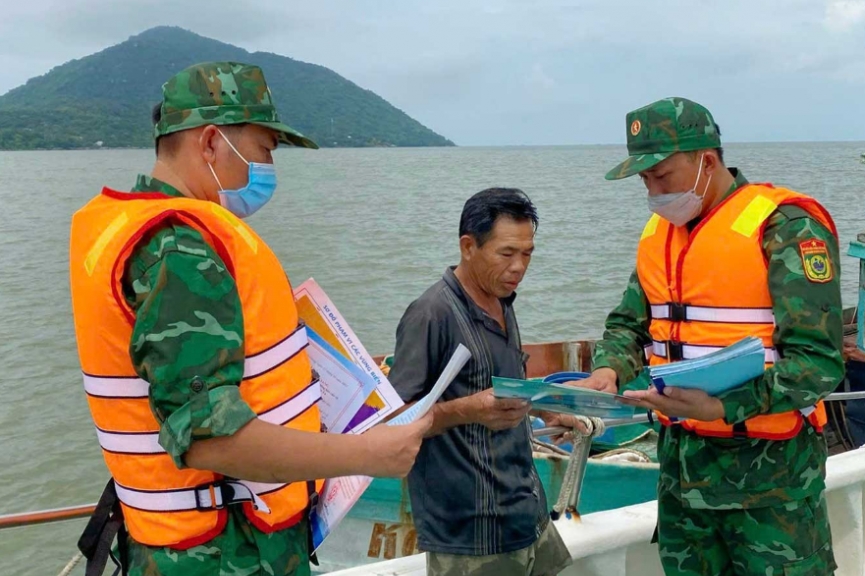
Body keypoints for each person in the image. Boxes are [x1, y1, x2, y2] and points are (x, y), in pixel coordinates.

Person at [68, 61, 432, 576]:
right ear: (212, 142)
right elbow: (210, 437)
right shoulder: (179, 247)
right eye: (263, 151)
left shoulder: (129, 225)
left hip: (214, 544)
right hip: (222, 555)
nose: (266, 170)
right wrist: (365, 454)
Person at [569, 97, 845, 576]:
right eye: (644, 180)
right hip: (682, 482)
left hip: (770, 488)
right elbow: (630, 325)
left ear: (707, 162)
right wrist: (607, 371)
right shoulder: (660, 235)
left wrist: (720, 407)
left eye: (662, 176)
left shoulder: (787, 228)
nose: (652, 191)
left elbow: (817, 364)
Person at [388, 188, 573, 576]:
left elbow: (505, 387)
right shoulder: (430, 314)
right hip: (470, 534)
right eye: (507, 253)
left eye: (527, 254)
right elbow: (395, 422)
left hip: (528, 514)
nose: (519, 266)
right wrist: (466, 409)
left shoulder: (503, 301)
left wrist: (549, 408)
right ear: (468, 246)